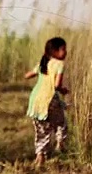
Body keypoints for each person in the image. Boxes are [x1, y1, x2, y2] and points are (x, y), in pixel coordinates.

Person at [24, 37, 69, 167]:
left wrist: (36, 72)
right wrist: (63, 90)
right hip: (49, 99)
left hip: (35, 100)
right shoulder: (59, 64)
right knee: (61, 122)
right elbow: (56, 85)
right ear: (54, 51)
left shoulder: (43, 62)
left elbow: (28, 75)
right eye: (63, 49)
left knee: (41, 128)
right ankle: (60, 143)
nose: (65, 52)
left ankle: (40, 156)